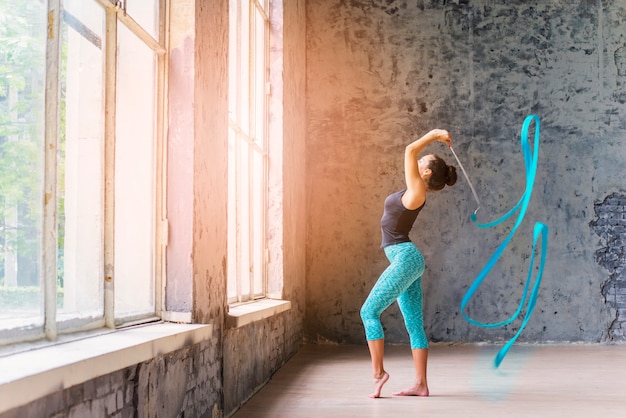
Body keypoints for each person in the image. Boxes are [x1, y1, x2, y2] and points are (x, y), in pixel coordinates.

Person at [360, 129, 457, 399]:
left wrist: (435, 135)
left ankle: (379, 374)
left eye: (423, 161)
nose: (417, 162)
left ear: (426, 173)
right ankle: (421, 384)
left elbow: (409, 150)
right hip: (408, 259)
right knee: (414, 324)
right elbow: (412, 155)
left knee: (368, 313)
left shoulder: (417, 191)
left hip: (405, 258)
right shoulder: (413, 190)